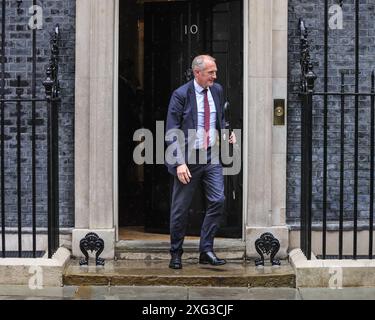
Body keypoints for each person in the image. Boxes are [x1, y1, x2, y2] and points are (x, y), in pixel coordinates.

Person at [165, 55, 236, 269]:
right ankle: (176, 253)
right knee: (180, 208)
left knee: (218, 200)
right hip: (188, 158)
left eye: (215, 72)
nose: (215, 76)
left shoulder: (217, 90)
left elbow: (220, 119)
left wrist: (227, 134)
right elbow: (171, 130)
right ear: (198, 73)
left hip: (211, 155)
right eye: (211, 72)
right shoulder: (181, 95)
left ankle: (206, 250)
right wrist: (178, 163)